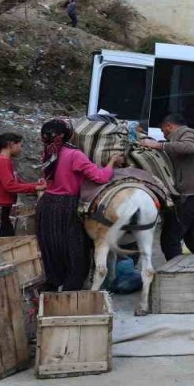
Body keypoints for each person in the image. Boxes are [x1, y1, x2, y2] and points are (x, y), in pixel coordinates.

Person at [37, 119, 122, 291]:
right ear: (65, 135)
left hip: (46, 205)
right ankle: (72, 287)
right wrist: (112, 162)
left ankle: (54, 283)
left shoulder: (47, 152)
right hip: (66, 206)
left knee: (51, 246)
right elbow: (100, 177)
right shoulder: (74, 155)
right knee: (75, 247)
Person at [140, 114, 194, 259]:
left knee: (170, 238)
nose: (163, 134)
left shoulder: (187, 133)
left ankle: (175, 273)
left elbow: (189, 147)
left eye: (162, 130)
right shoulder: (179, 136)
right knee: (192, 238)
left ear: (169, 126)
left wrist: (159, 145)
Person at [0, 133, 43, 237]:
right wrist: (36, 187)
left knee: (6, 238)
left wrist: (38, 184)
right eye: (19, 145)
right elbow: (10, 186)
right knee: (0, 242)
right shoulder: (2, 161)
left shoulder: (5, 161)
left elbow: (17, 183)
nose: (20, 149)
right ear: (11, 144)